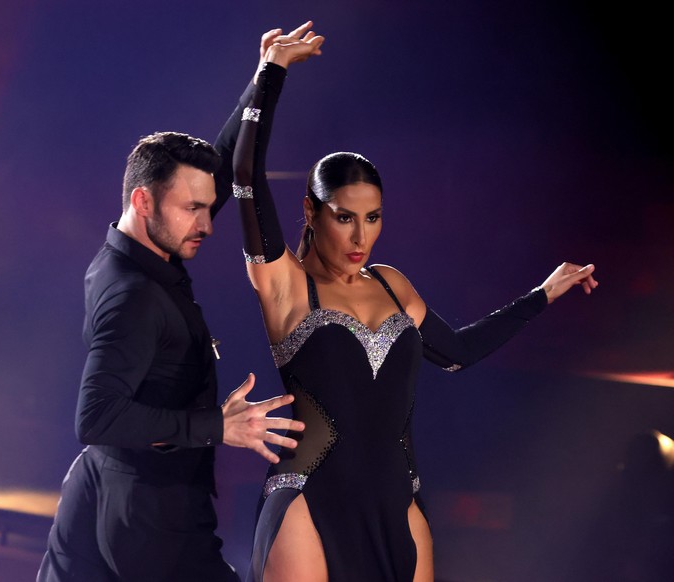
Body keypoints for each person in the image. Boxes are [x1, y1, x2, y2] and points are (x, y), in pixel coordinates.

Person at [229, 28, 599, 582]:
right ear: (309, 211)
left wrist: (540, 296)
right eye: (343, 216)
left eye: (372, 218)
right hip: (308, 500)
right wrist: (271, 72)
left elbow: (458, 353)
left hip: (399, 504)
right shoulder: (285, 284)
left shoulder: (391, 283)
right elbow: (245, 176)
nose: (360, 235)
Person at [36, 23, 322, 581]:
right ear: (144, 201)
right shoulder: (132, 292)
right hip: (149, 511)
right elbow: (95, 417)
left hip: (106, 489)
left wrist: (266, 75)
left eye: (205, 207)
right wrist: (218, 427)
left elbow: (214, 161)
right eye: (192, 210)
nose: (206, 225)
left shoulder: (136, 245)